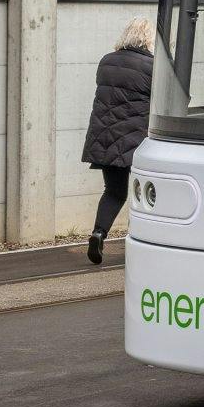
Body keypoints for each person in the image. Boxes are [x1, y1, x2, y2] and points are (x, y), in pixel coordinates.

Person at [82, 17, 155, 264]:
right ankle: (143, 244)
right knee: (145, 193)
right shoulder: (151, 66)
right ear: (147, 39)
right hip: (137, 142)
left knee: (114, 191)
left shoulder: (107, 61)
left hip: (105, 137)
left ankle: (98, 233)